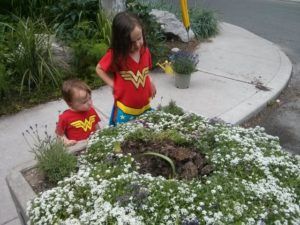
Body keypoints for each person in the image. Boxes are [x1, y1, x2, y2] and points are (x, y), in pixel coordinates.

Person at [96, 11, 156, 126]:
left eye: (139, 38)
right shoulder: (117, 55)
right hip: (126, 112)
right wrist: (113, 84)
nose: (138, 44)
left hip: (145, 108)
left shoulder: (145, 51)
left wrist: (150, 81)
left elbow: (145, 71)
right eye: (131, 42)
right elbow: (99, 69)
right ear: (121, 41)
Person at [55, 78, 101, 146]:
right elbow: (59, 134)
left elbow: (96, 126)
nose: (89, 103)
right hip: (78, 149)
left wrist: (100, 135)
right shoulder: (65, 117)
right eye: (84, 102)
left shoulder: (91, 110)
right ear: (70, 104)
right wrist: (66, 141)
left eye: (90, 98)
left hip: (95, 144)